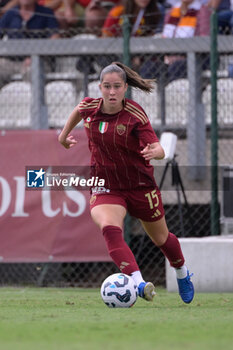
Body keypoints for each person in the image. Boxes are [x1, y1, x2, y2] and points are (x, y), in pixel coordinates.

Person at [58, 61, 194, 304]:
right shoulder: (90, 106)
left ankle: (182, 272)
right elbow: (79, 110)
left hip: (140, 185)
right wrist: (63, 134)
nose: (112, 92)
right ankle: (139, 284)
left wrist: (157, 153)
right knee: (110, 229)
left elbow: (158, 147)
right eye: (107, 86)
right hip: (105, 183)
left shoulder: (134, 114)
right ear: (99, 87)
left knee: (161, 239)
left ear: (125, 88)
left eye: (117, 87)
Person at [0, 0, 59, 88]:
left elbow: (55, 39)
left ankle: (33, 101)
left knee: (32, 71)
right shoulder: (10, 14)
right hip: (12, 61)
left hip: (38, 61)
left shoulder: (46, 13)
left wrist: (36, 56)